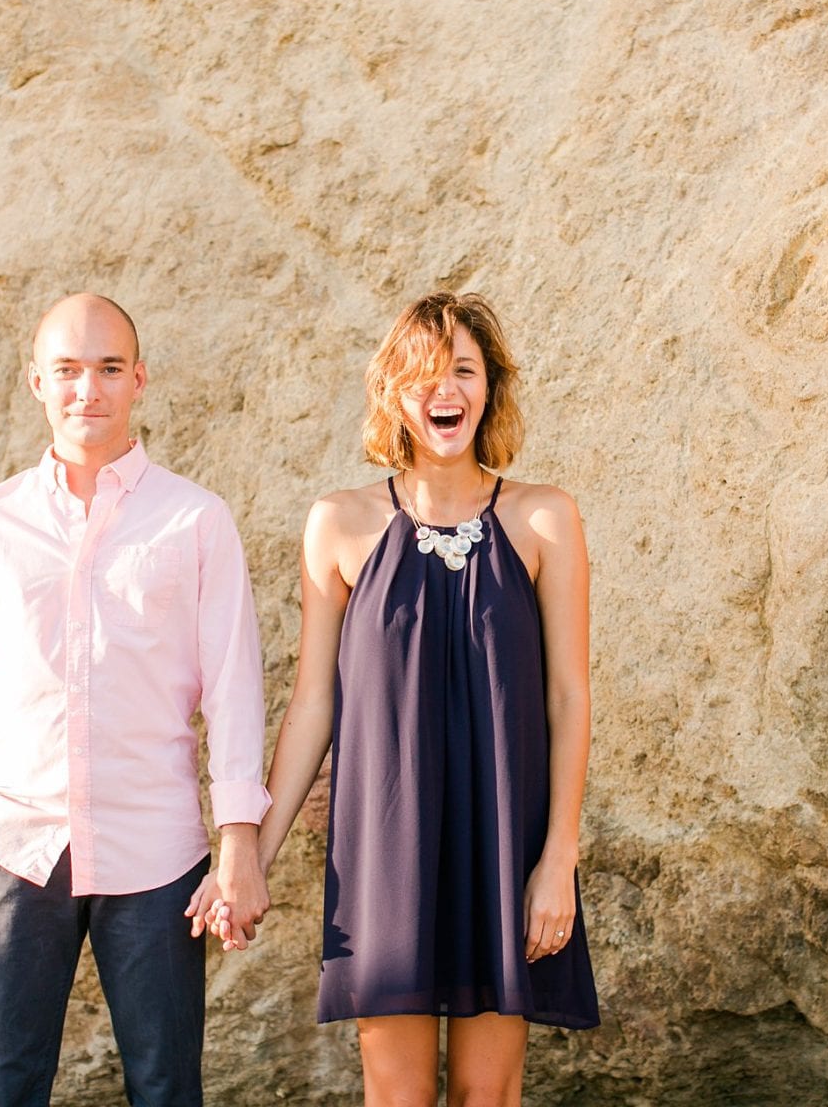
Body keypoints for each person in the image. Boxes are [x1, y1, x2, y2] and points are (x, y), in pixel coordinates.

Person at [207, 291, 599, 1105]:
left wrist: (557, 859)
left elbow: (568, 697)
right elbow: (314, 704)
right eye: (421, 374)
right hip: (386, 853)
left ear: (489, 386)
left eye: (462, 369)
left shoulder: (545, 518)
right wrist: (252, 858)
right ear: (392, 392)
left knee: (487, 1099)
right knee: (396, 1100)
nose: (443, 389)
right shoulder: (338, 525)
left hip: (506, 845)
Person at [0, 293, 271, 1107]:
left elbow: (235, 686)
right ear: (36, 382)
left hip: (158, 856)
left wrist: (237, 844)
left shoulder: (196, 521)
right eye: (66, 370)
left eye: (105, 369)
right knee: (9, 1088)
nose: (85, 390)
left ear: (139, 379)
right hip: (14, 852)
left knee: (167, 1089)